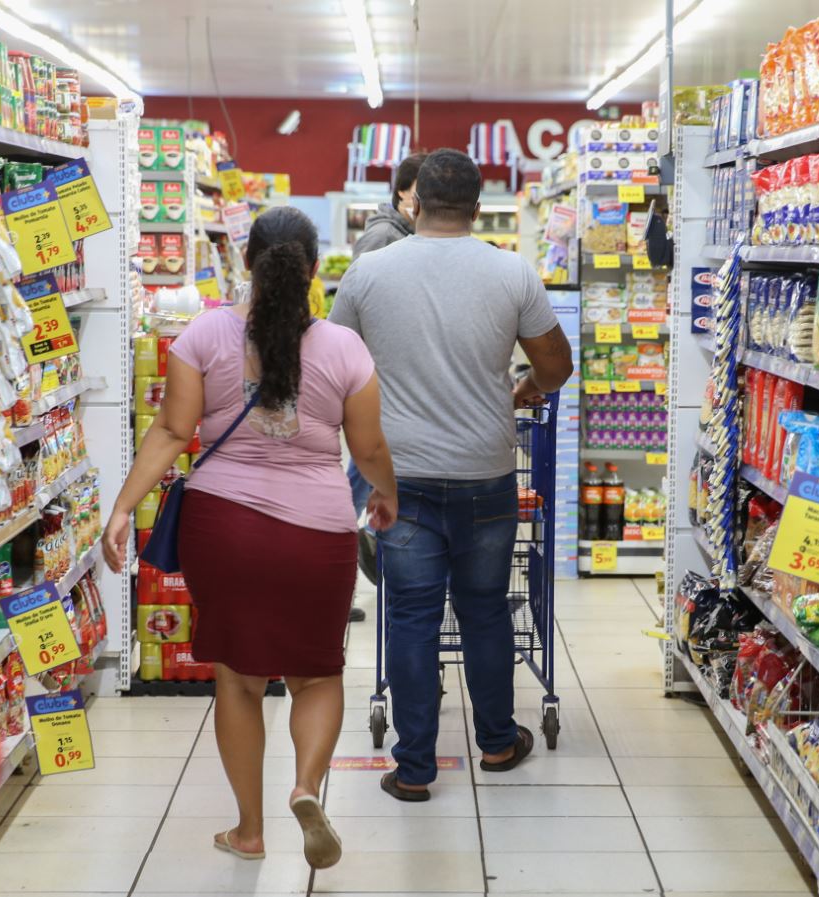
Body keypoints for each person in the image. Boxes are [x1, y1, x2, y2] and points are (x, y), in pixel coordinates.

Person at [102, 206, 397, 869]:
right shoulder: (344, 347)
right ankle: (304, 786)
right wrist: (387, 494)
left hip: (223, 527)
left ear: (245, 263)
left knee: (238, 681)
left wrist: (123, 506)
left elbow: (173, 433)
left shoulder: (204, 333)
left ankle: (249, 830)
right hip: (318, 531)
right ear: (314, 269)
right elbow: (370, 445)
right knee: (316, 673)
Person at [330, 148, 574, 801]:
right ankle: (496, 741)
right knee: (485, 610)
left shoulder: (368, 272)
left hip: (397, 474)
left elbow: (334, 365)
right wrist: (520, 388)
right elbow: (555, 366)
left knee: (409, 614)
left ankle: (413, 768)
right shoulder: (511, 271)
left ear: (414, 202)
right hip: (484, 470)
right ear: (476, 205)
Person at [346, 152, 426, 604]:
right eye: (420, 193)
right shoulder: (382, 237)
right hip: (377, 378)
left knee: (365, 467)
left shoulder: (405, 234)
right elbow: (365, 311)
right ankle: (344, 542)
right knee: (364, 466)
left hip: (388, 378)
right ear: (401, 192)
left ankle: (354, 540)